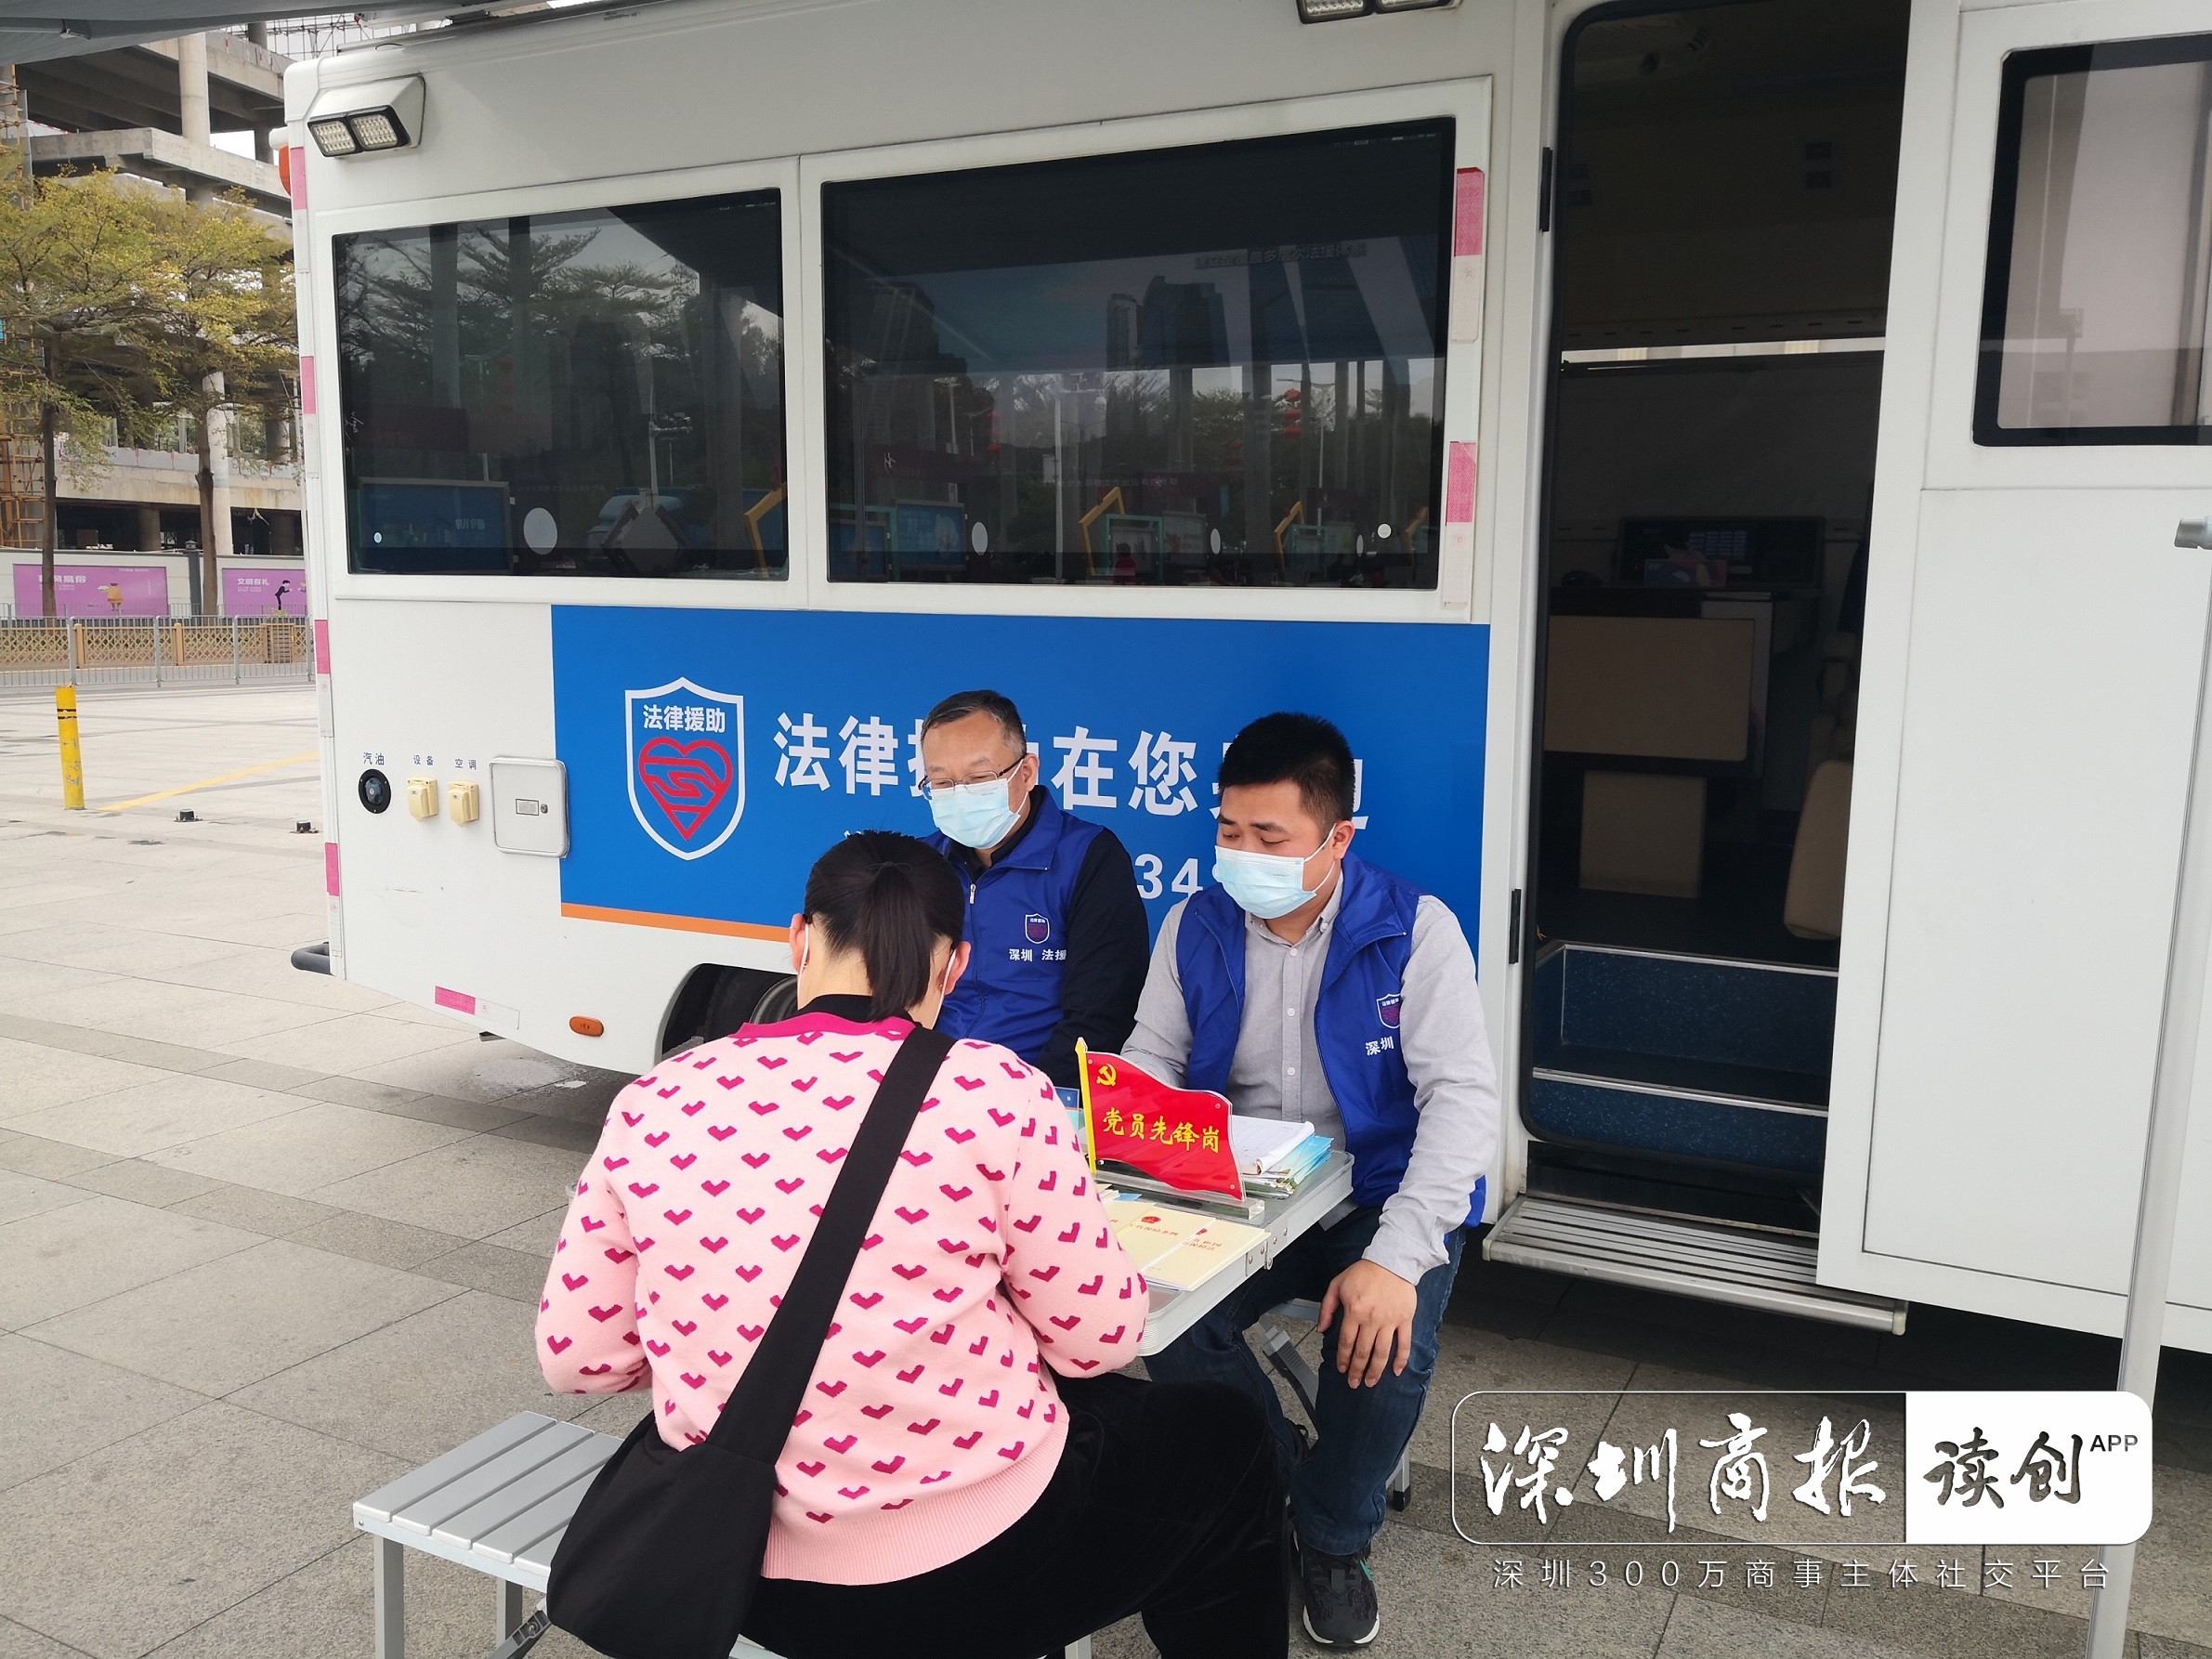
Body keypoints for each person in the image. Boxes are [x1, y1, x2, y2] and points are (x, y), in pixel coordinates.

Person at [539, 831, 1285, 1659]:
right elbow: (1098, 1341)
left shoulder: (654, 1100)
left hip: (734, 1566)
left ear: (798, 940)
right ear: (955, 965)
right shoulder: (995, 1092)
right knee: (1229, 1440)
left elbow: (579, 1359)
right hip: (972, 1569)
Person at [1123, 713, 1499, 1650]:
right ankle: (1278, 1470)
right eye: (1228, 832)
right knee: (1152, 1316)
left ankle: (1331, 1536)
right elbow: (1150, 1060)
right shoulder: (1193, 925)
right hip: (1233, 1191)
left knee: (1384, 1344)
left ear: (1337, 838)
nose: (1241, 856)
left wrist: (1396, 1259)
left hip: (1371, 1195)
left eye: (1269, 837)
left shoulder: (1414, 931)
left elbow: (1461, 1104)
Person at [919, 688, 1149, 1088]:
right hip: (930, 1084)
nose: (959, 795)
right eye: (942, 783)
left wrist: (1032, 1097)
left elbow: (1100, 1016)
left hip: (1043, 1092)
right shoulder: (921, 865)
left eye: (979, 779)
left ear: (1026, 773)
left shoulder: (1089, 858)